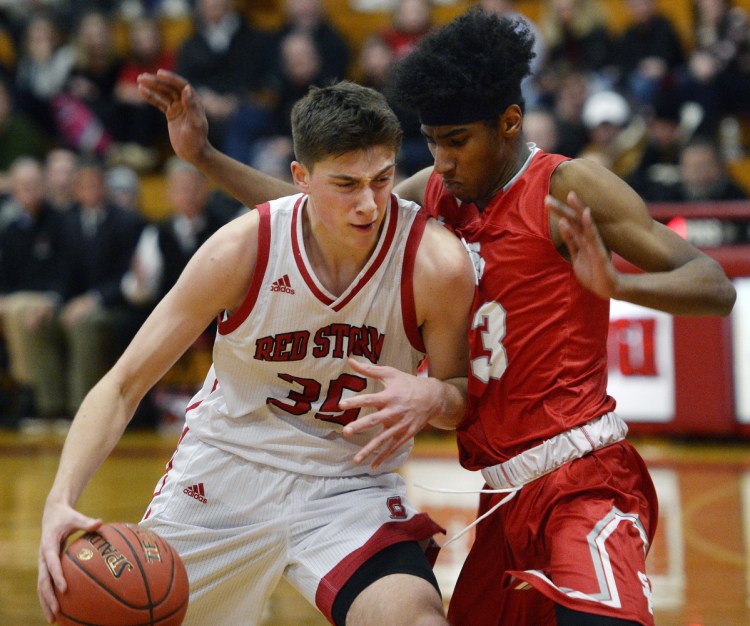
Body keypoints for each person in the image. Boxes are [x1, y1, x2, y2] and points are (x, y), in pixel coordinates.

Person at [134, 8, 737, 625]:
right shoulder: (437, 194)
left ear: (509, 123)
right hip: (502, 494)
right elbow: (318, 209)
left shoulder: (565, 187)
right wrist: (204, 156)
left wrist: (617, 285)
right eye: (432, 141)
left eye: (458, 142)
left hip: (583, 476)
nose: (442, 160)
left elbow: (713, 285)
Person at [38, 80, 476, 626]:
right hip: (226, 471)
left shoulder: (435, 263)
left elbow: (460, 398)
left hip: (349, 486)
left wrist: (434, 393)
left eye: (382, 179)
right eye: (345, 184)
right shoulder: (242, 249)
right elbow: (123, 384)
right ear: (300, 179)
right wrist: (59, 500)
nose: (369, 203)